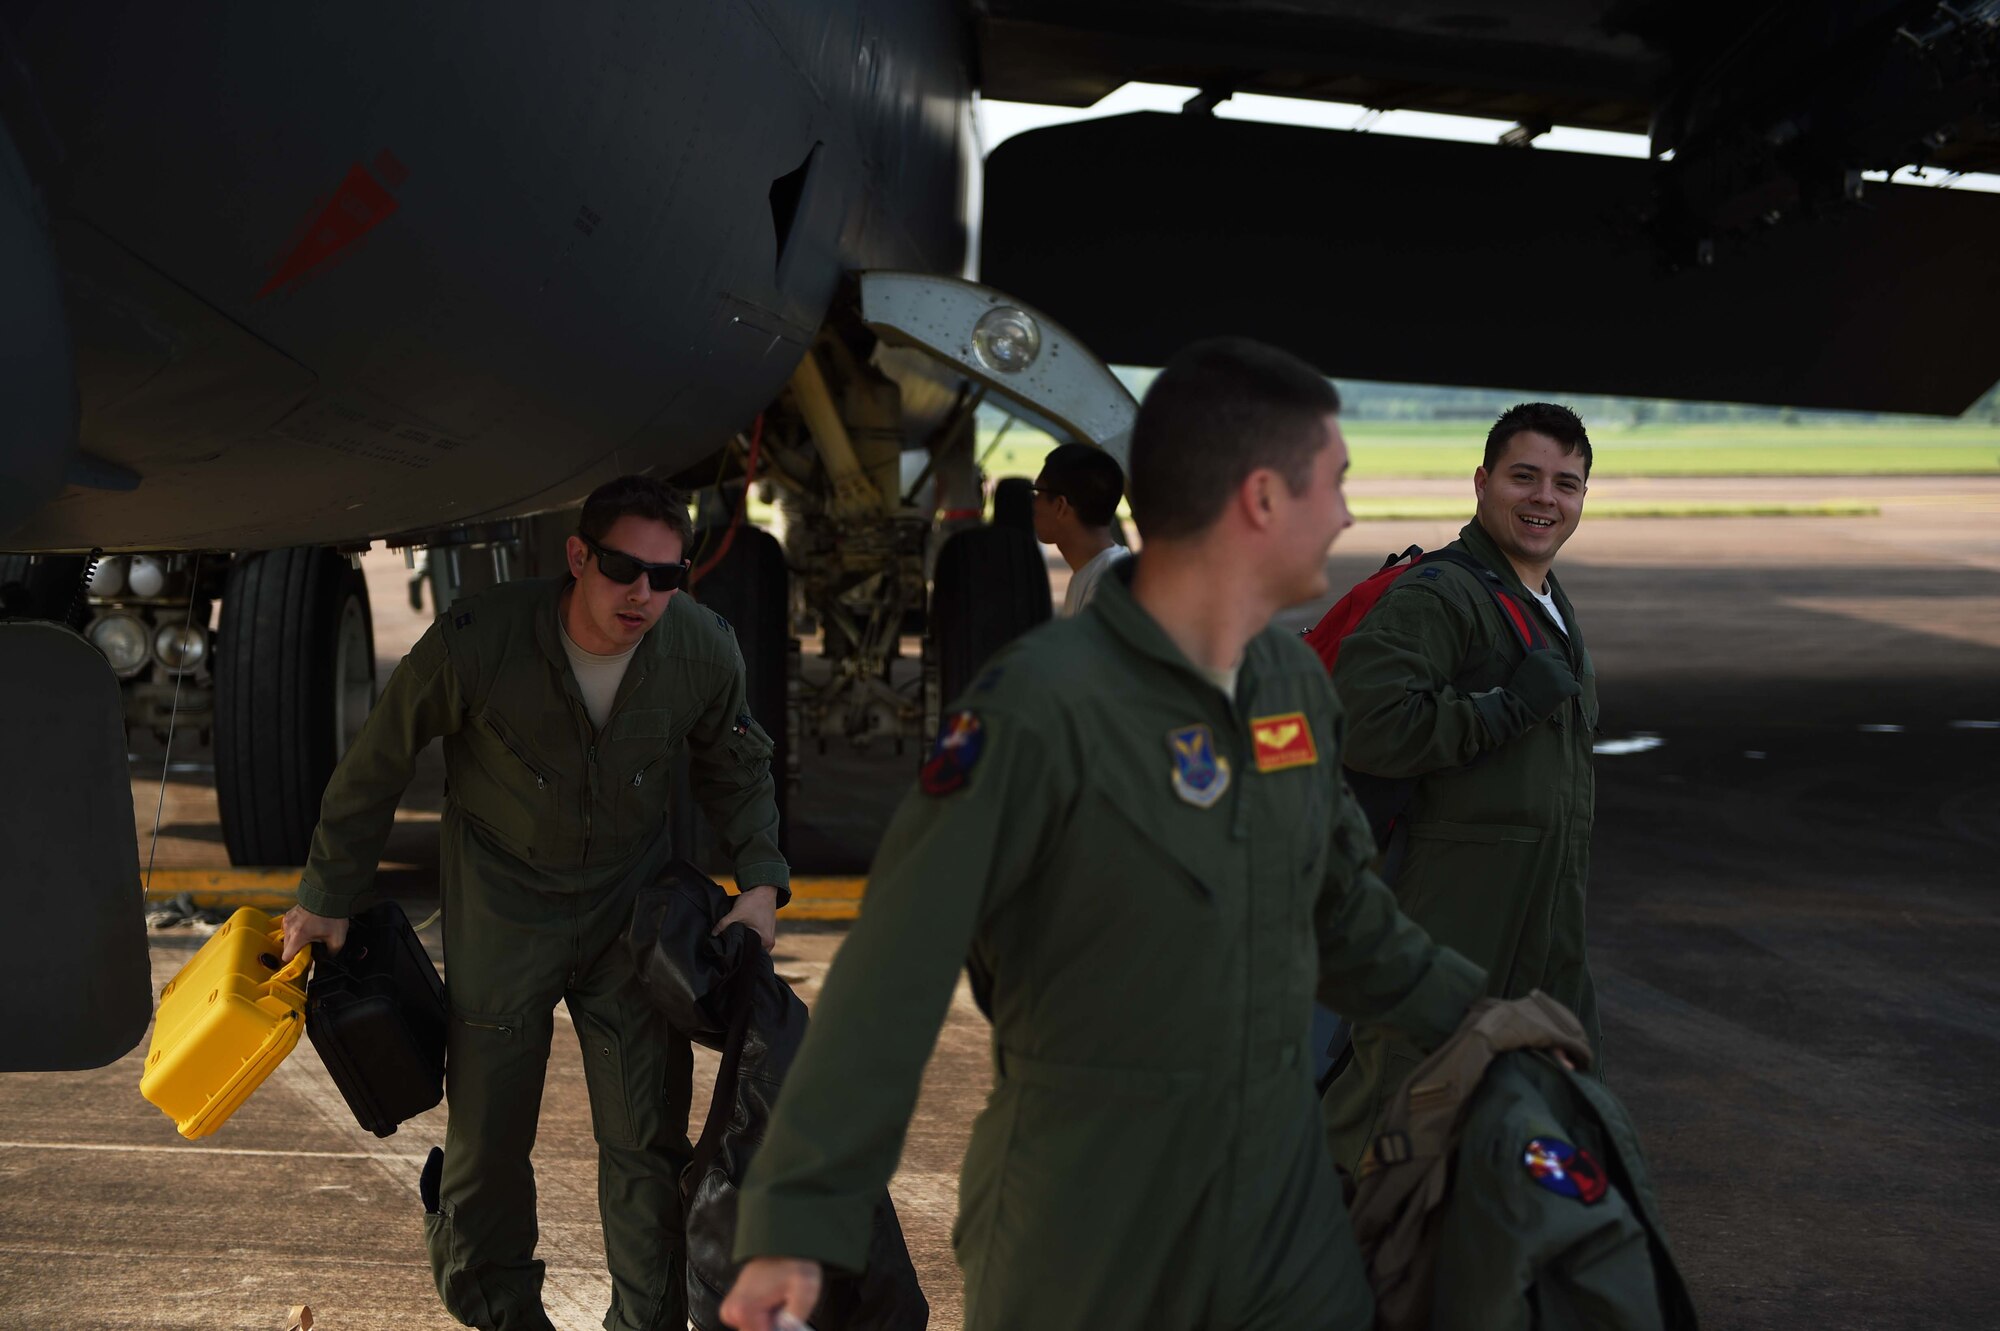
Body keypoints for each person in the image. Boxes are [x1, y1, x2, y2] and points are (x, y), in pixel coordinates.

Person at [719, 338, 1485, 1331]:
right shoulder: (1036, 709)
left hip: (1279, 1214)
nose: (1344, 512)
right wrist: (795, 1219)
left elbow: (1345, 919)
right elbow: (893, 974)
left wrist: (1491, 1025)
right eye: (1332, 481)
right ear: (1259, 498)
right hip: (1089, 1220)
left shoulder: (1291, 688)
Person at [279, 474, 790, 1331]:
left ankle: (648, 1323)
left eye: (668, 576)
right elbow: (377, 761)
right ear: (579, 556)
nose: (644, 594)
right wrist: (328, 894)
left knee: (645, 1142)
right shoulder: (481, 640)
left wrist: (762, 884)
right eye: (625, 568)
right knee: (487, 1144)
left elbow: (737, 769)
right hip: (502, 904)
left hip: (630, 912)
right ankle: (501, 1313)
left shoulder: (702, 649)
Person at [1321, 402, 1599, 1174]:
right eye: (1524, 477)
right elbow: (1369, 722)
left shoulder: (1549, 605)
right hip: (1447, 924)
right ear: (1482, 482)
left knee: (1538, 1122)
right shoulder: (1441, 595)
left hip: (1543, 928)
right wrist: (1504, 708)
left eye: (1566, 483)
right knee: (1397, 1122)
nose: (1545, 498)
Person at [1030, 441, 1129, 615]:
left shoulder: (1105, 591)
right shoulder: (1101, 573)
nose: (1033, 504)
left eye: (1038, 493)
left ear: (1060, 506)